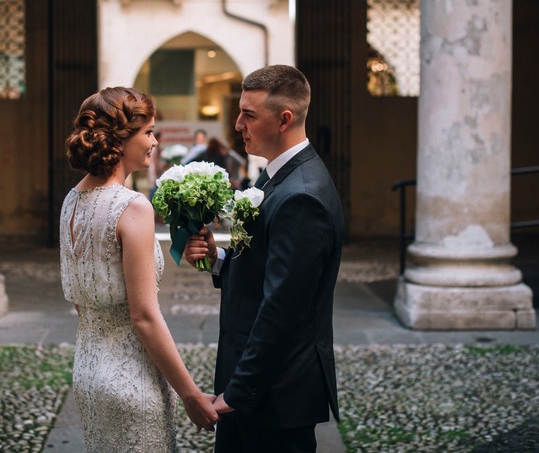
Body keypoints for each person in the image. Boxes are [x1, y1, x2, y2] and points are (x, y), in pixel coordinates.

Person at [185, 65, 344, 453]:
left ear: (284, 119)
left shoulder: (302, 196)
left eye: (249, 115)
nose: (237, 123)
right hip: (255, 389)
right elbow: (264, 269)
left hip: (274, 397)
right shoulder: (273, 177)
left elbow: (283, 310)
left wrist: (238, 392)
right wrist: (218, 258)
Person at [60, 86, 218, 452]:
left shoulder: (71, 201)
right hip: (133, 380)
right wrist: (191, 396)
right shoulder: (132, 206)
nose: (154, 141)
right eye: (147, 132)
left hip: (88, 372)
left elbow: (84, 302)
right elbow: (144, 316)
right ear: (119, 140)